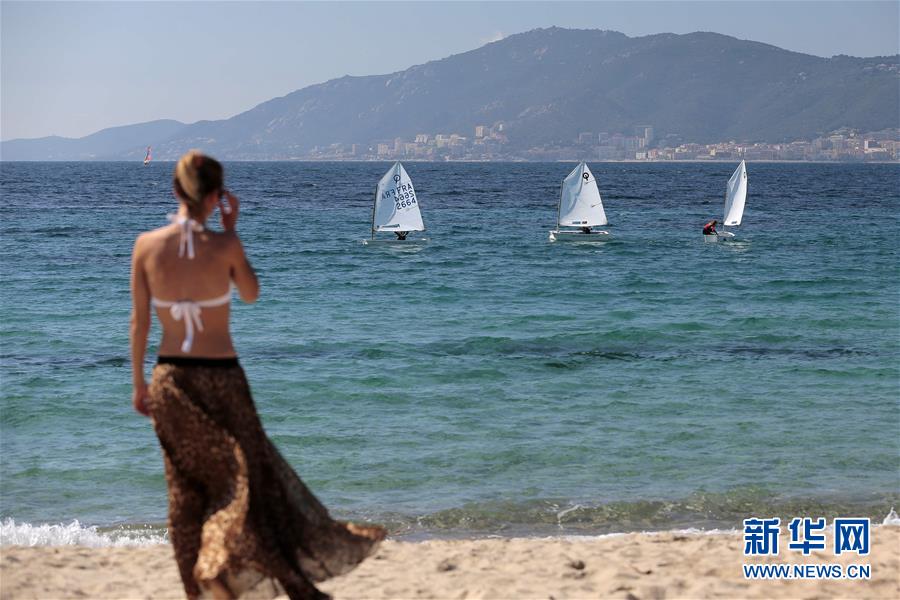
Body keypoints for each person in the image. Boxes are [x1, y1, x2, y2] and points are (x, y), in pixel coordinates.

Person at [131, 150, 384, 600]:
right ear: (216, 197)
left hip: (170, 382)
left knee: (186, 495)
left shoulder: (146, 246)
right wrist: (231, 232)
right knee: (247, 481)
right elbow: (250, 294)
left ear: (175, 191)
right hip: (223, 380)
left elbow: (140, 323)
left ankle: (201, 584)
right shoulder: (225, 246)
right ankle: (226, 570)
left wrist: (138, 384)